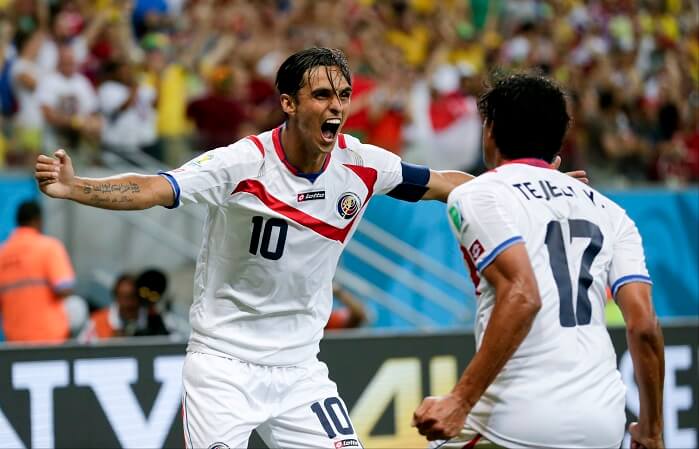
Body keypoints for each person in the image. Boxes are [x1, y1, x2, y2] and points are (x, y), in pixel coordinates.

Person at [35, 48, 580, 448]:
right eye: (323, 95)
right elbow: (158, 188)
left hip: (300, 368)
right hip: (224, 364)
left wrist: (531, 184)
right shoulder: (240, 162)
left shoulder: (362, 163)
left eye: (343, 94)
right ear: (289, 103)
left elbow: (444, 183)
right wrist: (75, 187)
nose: (337, 106)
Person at [412, 73, 665, 449]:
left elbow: (524, 295)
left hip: (516, 420)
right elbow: (643, 326)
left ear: (490, 131)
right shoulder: (612, 212)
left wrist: (459, 401)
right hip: (604, 424)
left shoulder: (479, 194)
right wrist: (651, 430)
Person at [0, 200, 76, 343]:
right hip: (50, 339)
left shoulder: (2, 253)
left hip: (14, 341)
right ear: (38, 220)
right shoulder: (49, 248)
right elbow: (64, 288)